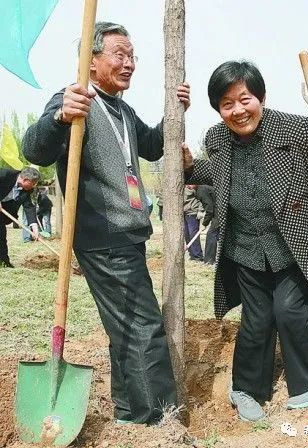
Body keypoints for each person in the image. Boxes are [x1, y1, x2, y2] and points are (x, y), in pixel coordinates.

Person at [22, 22, 190, 425]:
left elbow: (151, 147)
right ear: (91, 60)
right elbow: (35, 149)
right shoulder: (76, 98)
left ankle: (130, 412)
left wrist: (174, 112)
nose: (129, 63)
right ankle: (159, 422)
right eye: (120, 54)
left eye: (133, 56)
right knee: (145, 327)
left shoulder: (121, 108)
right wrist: (61, 117)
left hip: (128, 232)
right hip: (103, 236)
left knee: (127, 328)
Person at [182, 60, 308, 421]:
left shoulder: (297, 129)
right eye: (226, 104)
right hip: (245, 247)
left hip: (297, 244)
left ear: (260, 96)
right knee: (256, 319)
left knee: (289, 311)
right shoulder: (217, 138)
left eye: (244, 99)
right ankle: (247, 389)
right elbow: (210, 171)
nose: (237, 110)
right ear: (218, 109)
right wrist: (185, 164)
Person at [0, 166, 40, 267]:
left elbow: (28, 207)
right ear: (25, 179)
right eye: (33, 183)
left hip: (2, 212)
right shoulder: (5, 174)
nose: (34, 186)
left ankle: (4, 262)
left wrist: (34, 227)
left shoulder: (27, 189)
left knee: (1, 235)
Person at [196, 185, 219, 265]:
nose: (188, 186)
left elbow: (209, 209)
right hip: (219, 212)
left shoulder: (202, 189)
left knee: (211, 234)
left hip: (219, 213)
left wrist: (204, 223)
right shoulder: (204, 187)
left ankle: (209, 261)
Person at [183, 184, 204, 261]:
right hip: (184, 213)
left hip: (193, 213)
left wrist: (200, 211)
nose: (189, 185)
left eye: (191, 184)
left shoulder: (198, 190)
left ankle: (198, 256)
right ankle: (192, 254)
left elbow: (202, 200)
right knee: (186, 234)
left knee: (193, 234)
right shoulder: (182, 188)